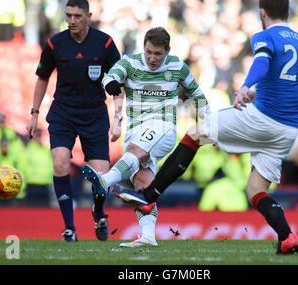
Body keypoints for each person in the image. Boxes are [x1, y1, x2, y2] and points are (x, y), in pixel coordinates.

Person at [114, 0, 298, 255]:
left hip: (263, 120)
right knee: (255, 190)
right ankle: (287, 236)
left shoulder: (265, 36)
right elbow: (291, 84)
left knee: (195, 133)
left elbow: (262, 63)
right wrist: (255, 94)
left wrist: (245, 85)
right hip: (287, 130)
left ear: (262, 13)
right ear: (288, 13)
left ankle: (148, 197)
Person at [82, 27, 210, 247]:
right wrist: (110, 84)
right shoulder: (130, 63)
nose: (152, 58)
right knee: (142, 186)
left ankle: (106, 179)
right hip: (135, 130)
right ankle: (148, 236)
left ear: (168, 51)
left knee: (133, 153)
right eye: (149, 52)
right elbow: (110, 76)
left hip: (164, 127)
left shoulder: (178, 66)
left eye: (158, 54)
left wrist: (212, 126)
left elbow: (197, 95)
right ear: (144, 48)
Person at [26, 0, 121, 242]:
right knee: (59, 162)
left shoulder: (105, 43)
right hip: (63, 113)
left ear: (88, 17)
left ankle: (99, 212)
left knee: (101, 178)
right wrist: (34, 113)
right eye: (68, 15)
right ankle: (69, 228)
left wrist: (118, 117)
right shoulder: (55, 43)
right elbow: (42, 77)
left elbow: (118, 83)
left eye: (77, 16)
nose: (72, 20)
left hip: (94, 114)